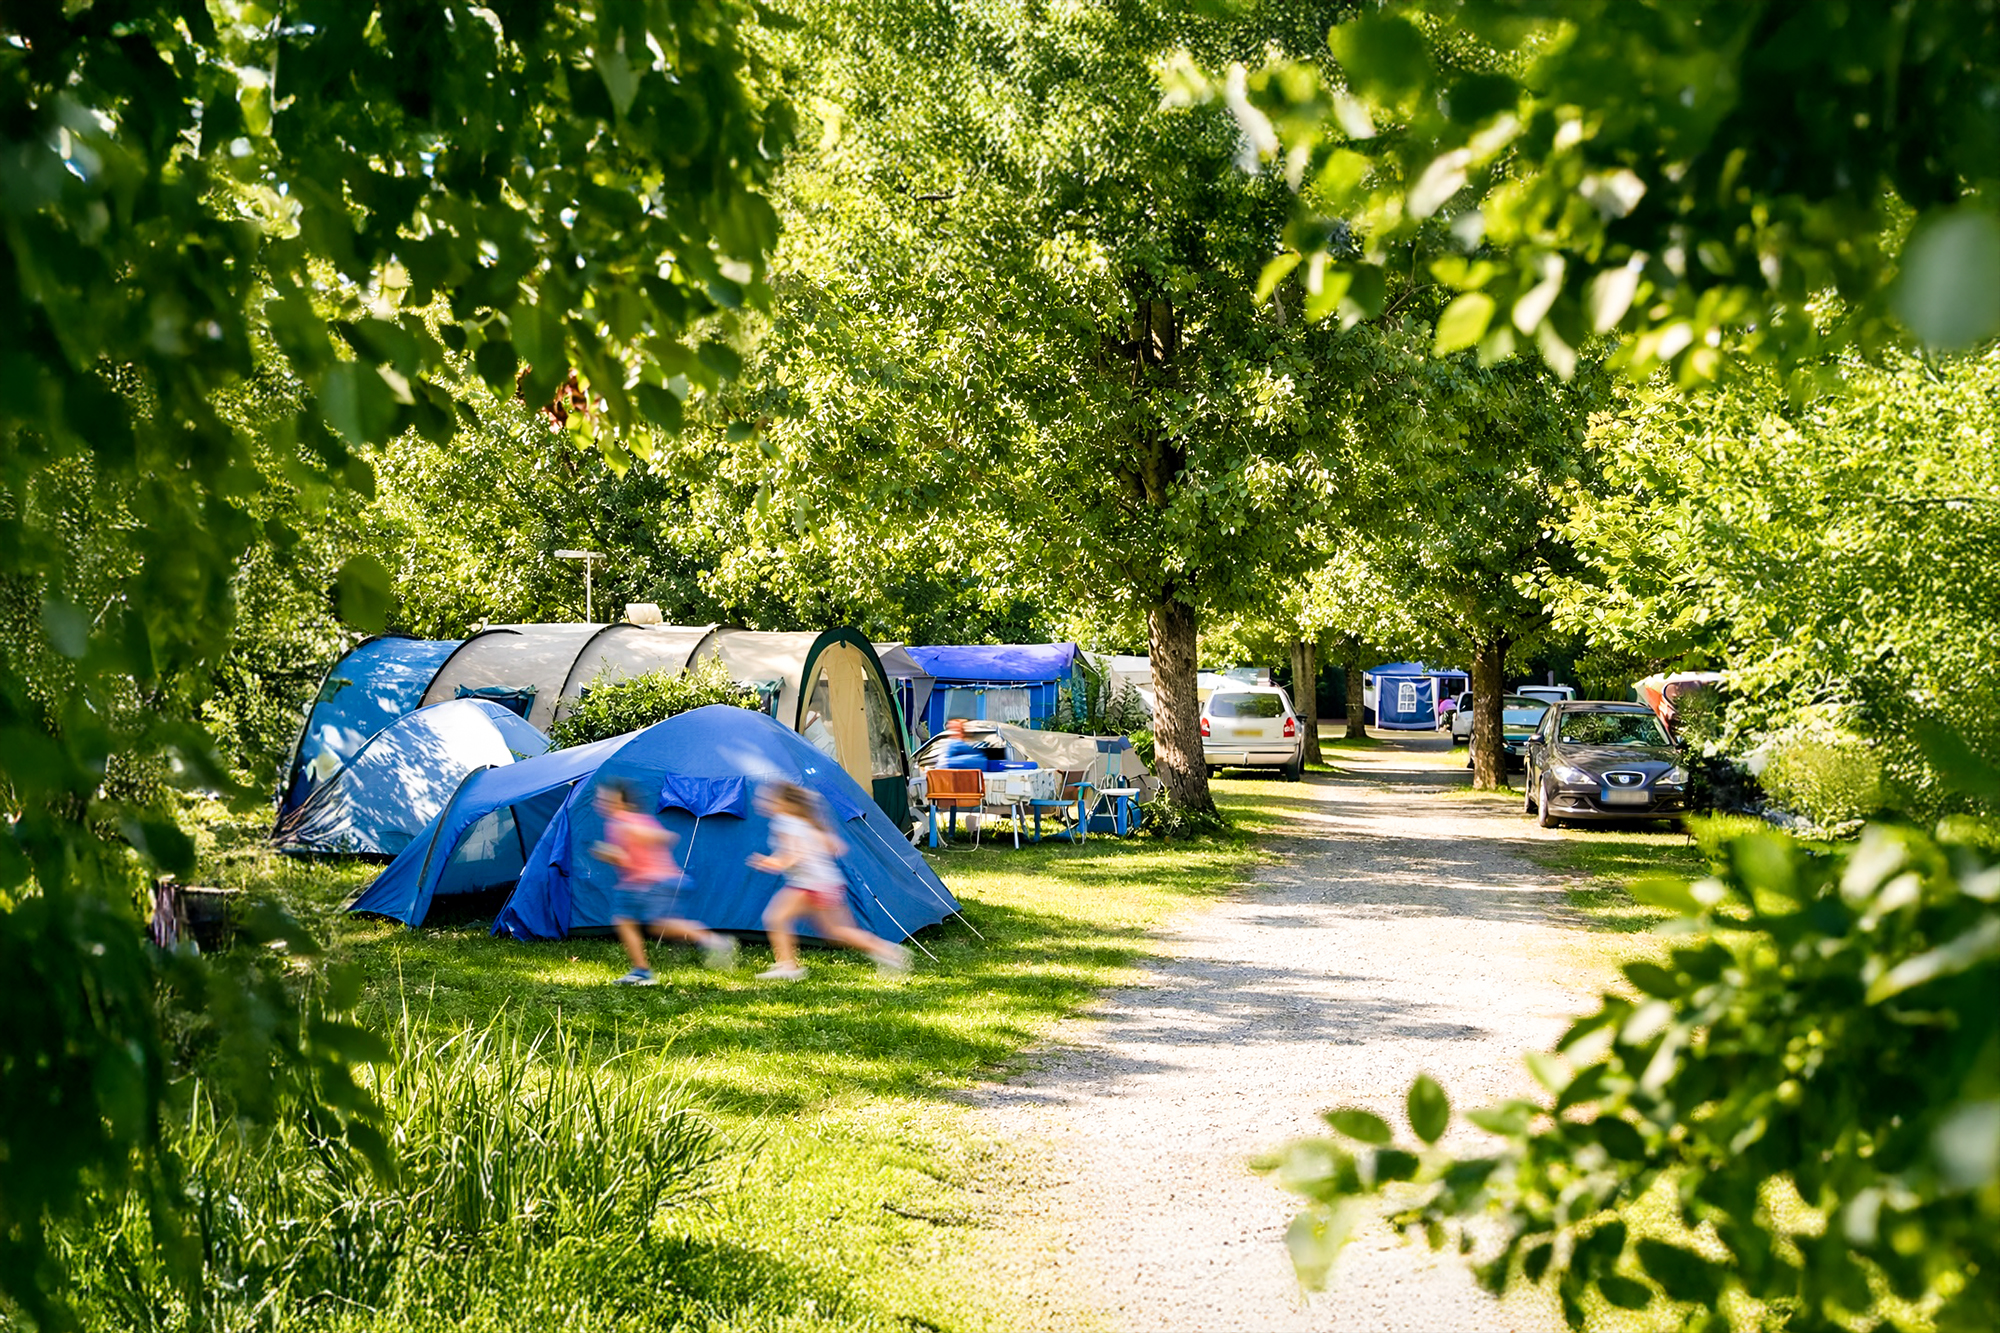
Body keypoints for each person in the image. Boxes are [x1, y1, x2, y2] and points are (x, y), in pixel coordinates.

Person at [748, 781, 910, 981]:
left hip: (808, 884)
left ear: (783, 803)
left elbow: (794, 854)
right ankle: (887, 950)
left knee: (776, 917)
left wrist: (773, 863)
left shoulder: (784, 822)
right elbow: (837, 847)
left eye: (768, 799)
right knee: (836, 931)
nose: (762, 803)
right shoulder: (806, 821)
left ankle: (788, 966)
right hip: (828, 884)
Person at [591, 780, 737, 986]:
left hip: (652, 882)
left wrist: (611, 852)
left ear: (620, 801)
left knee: (658, 926)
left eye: (605, 798)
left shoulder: (623, 821)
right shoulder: (627, 821)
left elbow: (663, 838)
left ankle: (711, 941)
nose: (600, 802)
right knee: (628, 922)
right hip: (641, 883)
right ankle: (642, 970)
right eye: (599, 798)